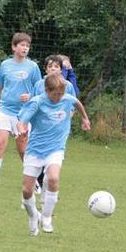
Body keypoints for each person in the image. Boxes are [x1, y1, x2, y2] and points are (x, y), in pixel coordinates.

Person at [16, 73, 91, 236]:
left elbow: (77, 103)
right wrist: (22, 130)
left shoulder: (67, 98)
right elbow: (21, 121)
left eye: (60, 94)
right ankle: (33, 215)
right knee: (26, 190)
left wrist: (85, 119)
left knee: (53, 178)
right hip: (35, 149)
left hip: (56, 148)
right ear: (46, 90)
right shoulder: (37, 102)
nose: (58, 97)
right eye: (55, 94)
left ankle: (47, 217)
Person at [0, 33, 42, 192]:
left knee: (23, 149)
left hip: (24, 115)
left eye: (27, 46)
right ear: (14, 47)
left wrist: (30, 97)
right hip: (5, 110)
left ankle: (34, 181)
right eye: (22, 45)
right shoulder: (5, 65)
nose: (25, 48)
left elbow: (39, 90)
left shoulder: (33, 67)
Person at [32, 55, 77, 194]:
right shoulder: (39, 84)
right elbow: (33, 104)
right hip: (40, 128)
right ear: (45, 69)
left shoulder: (67, 86)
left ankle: (48, 183)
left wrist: (68, 115)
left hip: (58, 129)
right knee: (39, 155)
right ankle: (38, 182)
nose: (53, 69)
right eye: (50, 66)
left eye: (56, 66)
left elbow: (73, 105)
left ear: (61, 70)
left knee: (53, 156)